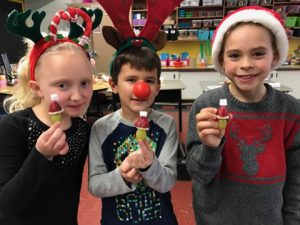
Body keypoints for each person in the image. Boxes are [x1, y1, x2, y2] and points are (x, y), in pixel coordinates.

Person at [186, 6, 300, 225]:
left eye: (258, 53)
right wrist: (210, 147)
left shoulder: (290, 111)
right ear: (221, 59)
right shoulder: (206, 106)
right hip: (215, 219)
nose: (246, 64)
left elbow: (296, 180)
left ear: (275, 55)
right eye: (235, 55)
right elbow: (199, 175)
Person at [0, 7, 100, 225]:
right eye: (63, 85)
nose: (77, 95)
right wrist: (41, 155)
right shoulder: (12, 127)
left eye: (85, 83)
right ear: (37, 88)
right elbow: (6, 206)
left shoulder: (82, 130)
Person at [89, 44, 179, 225]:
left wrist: (148, 166)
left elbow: (167, 182)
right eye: (131, 79)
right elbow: (95, 185)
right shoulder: (101, 128)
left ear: (158, 87)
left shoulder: (166, 124)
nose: (141, 88)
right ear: (113, 85)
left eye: (150, 81)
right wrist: (121, 176)